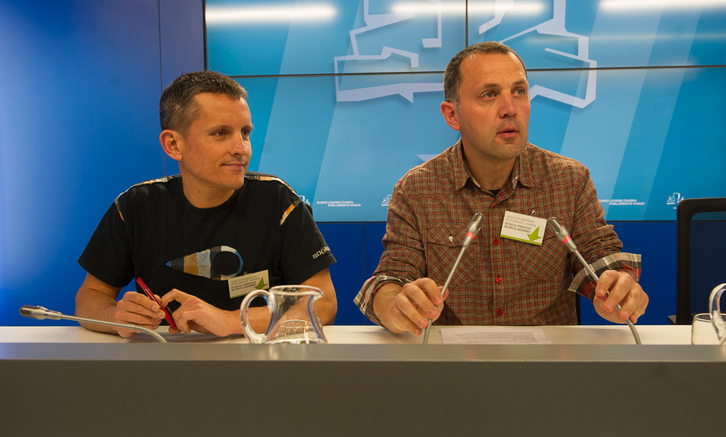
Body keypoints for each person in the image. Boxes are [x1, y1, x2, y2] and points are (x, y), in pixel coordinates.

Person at [354, 42, 648, 335]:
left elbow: (600, 261)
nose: (510, 109)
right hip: (454, 369)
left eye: (519, 92)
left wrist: (617, 286)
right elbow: (391, 278)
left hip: (547, 368)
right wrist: (394, 305)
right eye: (489, 95)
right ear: (452, 115)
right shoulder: (417, 190)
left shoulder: (569, 180)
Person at [75, 71, 337, 338]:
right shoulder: (134, 206)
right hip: (166, 366)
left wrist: (231, 321)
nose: (241, 148)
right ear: (173, 144)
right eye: (221, 133)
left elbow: (324, 304)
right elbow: (90, 298)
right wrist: (117, 317)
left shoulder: (279, 200)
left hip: (261, 366)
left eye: (245, 132)